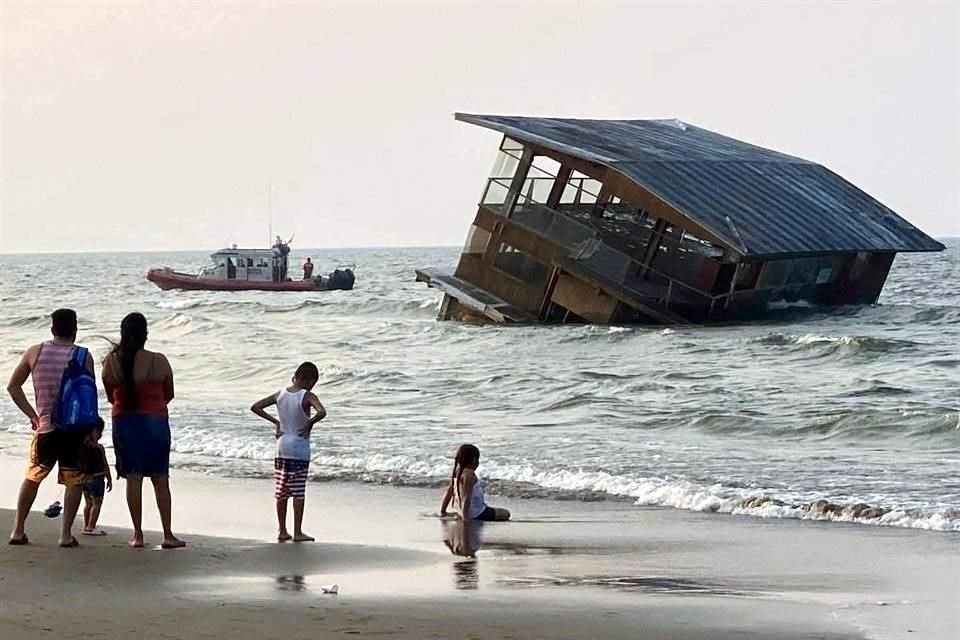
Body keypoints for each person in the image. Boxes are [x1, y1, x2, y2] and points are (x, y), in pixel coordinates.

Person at [6, 308, 97, 547]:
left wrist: (33, 415)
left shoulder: (35, 352)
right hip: (74, 430)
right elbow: (89, 398)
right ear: (74, 330)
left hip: (45, 428)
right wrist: (93, 430)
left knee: (33, 477)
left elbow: (13, 387)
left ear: (52, 328)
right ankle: (65, 535)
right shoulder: (83, 356)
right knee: (74, 481)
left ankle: (17, 530)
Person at [102, 312, 185, 549]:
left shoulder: (111, 361)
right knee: (160, 479)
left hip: (125, 422)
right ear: (145, 334)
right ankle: (168, 535)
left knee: (133, 479)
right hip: (155, 421)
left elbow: (110, 395)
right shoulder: (159, 360)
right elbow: (169, 393)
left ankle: (137, 535)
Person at [250, 362, 327, 543]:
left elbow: (256, 407)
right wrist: (310, 422)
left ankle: (282, 530)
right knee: (298, 491)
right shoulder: (307, 396)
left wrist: (276, 422)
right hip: (299, 447)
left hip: (282, 446)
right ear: (308, 380)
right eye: (313, 381)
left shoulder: (280, 394)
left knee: (282, 490)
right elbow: (322, 412)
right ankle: (298, 532)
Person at [439, 444, 510, 522]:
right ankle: (468, 514)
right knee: (506, 513)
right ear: (474, 460)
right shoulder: (469, 474)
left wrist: (443, 511)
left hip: (462, 511)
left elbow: (448, 492)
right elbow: (467, 497)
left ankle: (463, 513)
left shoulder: (457, 472)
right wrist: (465, 517)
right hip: (477, 513)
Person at [80, 422, 112, 536]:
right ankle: (91, 526)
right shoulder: (99, 448)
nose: (100, 435)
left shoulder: (82, 447)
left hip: (84, 479)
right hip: (97, 479)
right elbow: (105, 465)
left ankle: (87, 525)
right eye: (99, 432)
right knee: (97, 503)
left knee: (88, 503)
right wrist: (109, 478)